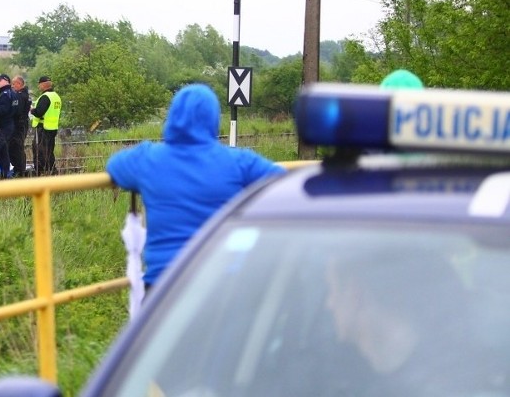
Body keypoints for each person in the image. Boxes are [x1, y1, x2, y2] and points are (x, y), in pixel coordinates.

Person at [106, 84, 284, 289]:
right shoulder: (239, 162)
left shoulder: (147, 159)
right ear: (213, 119)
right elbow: (284, 183)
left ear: (172, 117)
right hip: (222, 284)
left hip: (163, 286)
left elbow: (114, 165)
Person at [325, 248, 500, 396]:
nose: (329, 304)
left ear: (355, 293)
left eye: (332, 290)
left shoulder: (457, 385)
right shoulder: (341, 377)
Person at [30, 75, 62, 176]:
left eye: (39, 84)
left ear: (43, 85)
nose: (39, 86)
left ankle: (40, 172)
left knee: (40, 151)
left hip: (43, 128)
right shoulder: (56, 97)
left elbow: (39, 112)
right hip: (52, 128)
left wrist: (32, 110)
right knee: (49, 151)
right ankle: (52, 171)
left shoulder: (45, 97)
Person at [9, 75, 31, 177]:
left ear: (19, 84)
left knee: (17, 147)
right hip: (21, 124)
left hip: (20, 125)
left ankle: (19, 170)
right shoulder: (23, 95)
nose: (12, 86)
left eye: (14, 84)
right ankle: (19, 169)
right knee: (15, 147)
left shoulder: (21, 96)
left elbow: (17, 111)